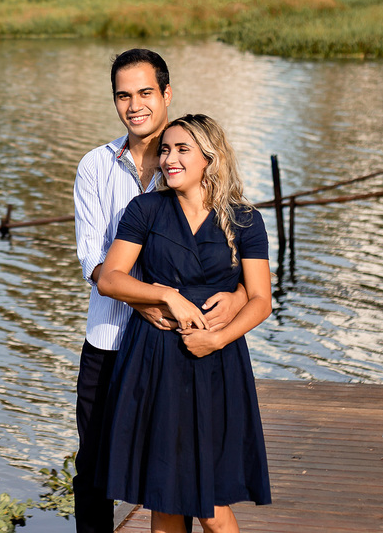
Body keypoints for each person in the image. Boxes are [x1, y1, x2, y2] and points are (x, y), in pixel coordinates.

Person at [72, 52, 248, 533]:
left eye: (145, 92)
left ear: (166, 94)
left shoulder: (191, 156)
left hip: (175, 347)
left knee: (176, 469)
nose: (135, 105)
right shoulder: (95, 166)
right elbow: (94, 263)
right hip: (110, 341)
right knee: (95, 468)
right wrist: (149, 298)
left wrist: (237, 297)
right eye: (123, 95)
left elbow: (223, 251)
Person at [95, 114, 273, 533]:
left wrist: (218, 339)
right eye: (165, 150)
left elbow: (261, 299)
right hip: (154, 358)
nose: (168, 159)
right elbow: (109, 279)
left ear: (210, 157)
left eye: (181, 149)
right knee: (165, 497)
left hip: (217, 363)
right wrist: (166, 296)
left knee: (211, 507)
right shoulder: (146, 209)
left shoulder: (245, 219)